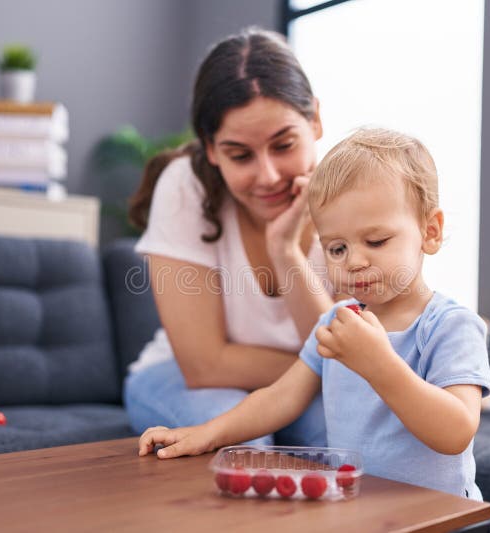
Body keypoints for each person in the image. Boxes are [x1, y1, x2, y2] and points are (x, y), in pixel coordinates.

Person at [137, 128, 490, 500]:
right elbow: (279, 398)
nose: (354, 261)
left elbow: (456, 433)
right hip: (358, 515)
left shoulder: (451, 325)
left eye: (376, 241)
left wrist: (379, 364)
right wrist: (206, 432)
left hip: (439, 519)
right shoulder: (337, 322)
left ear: (430, 232)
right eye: (337, 249)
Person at [123, 27, 332, 447]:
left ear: (315, 122)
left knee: (367, 440)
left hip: (303, 383)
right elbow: (205, 365)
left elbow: (347, 355)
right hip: (181, 378)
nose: (268, 175)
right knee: (241, 442)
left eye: (284, 144)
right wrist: (332, 368)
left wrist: (285, 251)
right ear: (212, 150)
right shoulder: (185, 186)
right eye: (240, 155)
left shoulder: (352, 195)